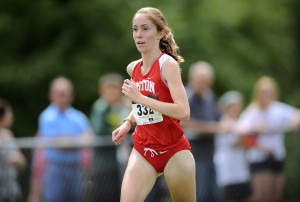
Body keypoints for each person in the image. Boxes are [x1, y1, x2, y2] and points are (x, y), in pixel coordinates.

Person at [112, 7, 196, 202]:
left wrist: (140, 97)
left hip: (173, 150)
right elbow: (144, 107)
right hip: (143, 150)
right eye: (135, 29)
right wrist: (127, 123)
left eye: (145, 28)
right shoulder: (133, 68)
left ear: (160, 33)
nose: (138, 35)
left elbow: (183, 112)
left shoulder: (168, 65)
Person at [236, 76, 300, 202]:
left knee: (275, 196)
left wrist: (290, 124)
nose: (267, 95)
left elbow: (296, 115)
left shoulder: (278, 109)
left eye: (270, 92)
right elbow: (239, 131)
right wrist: (254, 128)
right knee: (261, 196)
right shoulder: (252, 112)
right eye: (264, 92)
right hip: (259, 158)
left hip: (277, 156)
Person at [38, 76, 94, 202]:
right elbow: (58, 145)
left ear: (71, 95)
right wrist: (78, 140)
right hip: (55, 169)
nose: (62, 96)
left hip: (76, 170)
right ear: (51, 95)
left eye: (65, 93)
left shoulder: (79, 117)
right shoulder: (46, 117)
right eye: (59, 93)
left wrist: (67, 141)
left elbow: (90, 139)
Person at [183, 61, 225, 202]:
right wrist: (212, 128)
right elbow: (186, 123)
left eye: (207, 81)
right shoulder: (185, 97)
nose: (204, 85)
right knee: (198, 196)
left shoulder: (209, 97)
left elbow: (218, 120)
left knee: (213, 196)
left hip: (209, 154)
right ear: (192, 80)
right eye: (201, 81)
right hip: (193, 156)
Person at [88, 73, 131, 202]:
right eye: (109, 89)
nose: (112, 93)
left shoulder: (124, 107)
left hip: (123, 162)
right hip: (105, 164)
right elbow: (99, 131)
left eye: (115, 89)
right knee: (106, 196)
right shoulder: (100, 107)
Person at [214, 91, 252, 202]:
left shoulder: (237, 122)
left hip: (239, 167)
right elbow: (235, 143)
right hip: (228, 168)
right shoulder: (225, 122)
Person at [0, 98, 26, 202]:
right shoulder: (6, 136)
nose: (11, 116)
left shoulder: (8, 135)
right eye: (9, 113)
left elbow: (21, 160)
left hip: (10, 189)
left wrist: (17, 160)